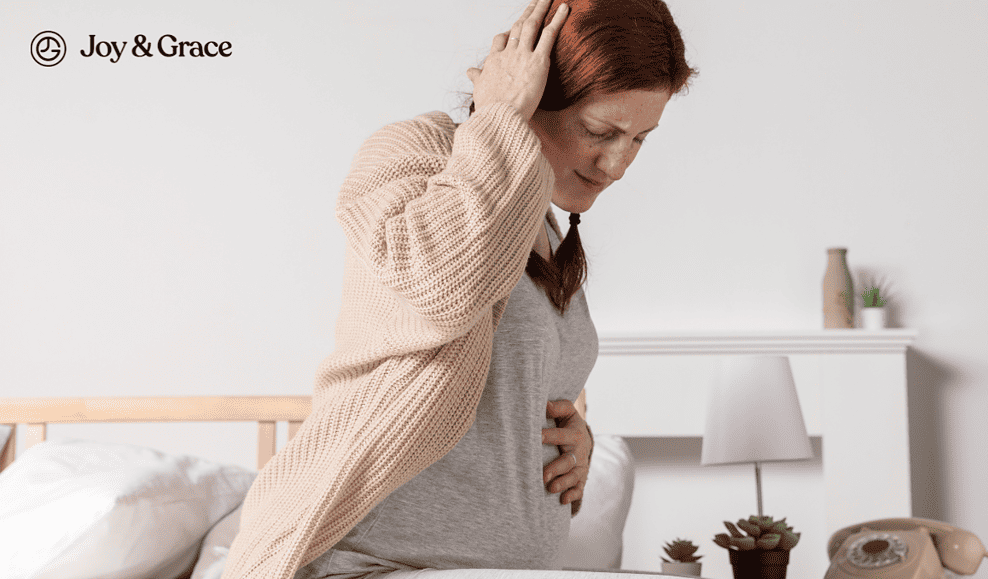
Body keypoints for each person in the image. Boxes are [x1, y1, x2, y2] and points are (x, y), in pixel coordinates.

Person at [221, 1, 695, 578]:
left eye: (641, 139)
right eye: (600, 131)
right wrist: (498, 117)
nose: (618, 164)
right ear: (531, 92)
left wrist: (573, 440)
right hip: (360, 559)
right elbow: (440, 290)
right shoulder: (411, 155)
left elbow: (498, 388)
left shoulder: (538, 224)